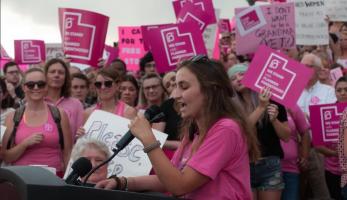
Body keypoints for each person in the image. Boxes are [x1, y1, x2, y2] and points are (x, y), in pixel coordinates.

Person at [96, 56, 258, 200]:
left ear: (210, 90)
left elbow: (179, 185)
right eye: (175, 87)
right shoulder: (194, 130)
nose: (175, 94)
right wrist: (122, 182)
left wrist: (148, 138)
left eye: (184, 87)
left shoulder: (226, 129)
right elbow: (169, 177)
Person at [228, 63, 290, 200]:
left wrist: (274, 120)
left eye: (242, 74)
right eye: (233, 78)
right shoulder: (230, 108)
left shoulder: (274, 100)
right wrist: (261, 108)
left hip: (270, 165)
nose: (238, 79)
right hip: (243, 166)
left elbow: (286, 136)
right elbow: (240, 131)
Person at [1, 68, 72, 177]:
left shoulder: (59, 114)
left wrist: (69, 182)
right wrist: (24, 144)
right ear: (24, 87)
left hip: (53, 178)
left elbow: (67, 153)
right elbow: (6, 156)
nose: (36, 88)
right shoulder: (12, 117)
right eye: (30, 85)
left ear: (46, 87)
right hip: (22, 179)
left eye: (40, 84)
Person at [76, 68, 137, 138]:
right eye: (98, 84)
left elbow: (133, 141)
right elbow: (84, 143)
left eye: (108, 84)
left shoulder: (128, 112)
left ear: (117, 85)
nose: (103, 87)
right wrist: (81, 136)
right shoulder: (88, 113)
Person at [317, 76, 347, 200]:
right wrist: (336, 153)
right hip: (333, 170)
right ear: (334, 92)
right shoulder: (324, 112)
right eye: (339, 90)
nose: (343, 93)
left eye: (346, 89)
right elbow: (318, 145)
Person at [44, 58, 84, 139]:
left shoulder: (76, 104)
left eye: (61, 72)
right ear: (45, 76)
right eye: (52, 72)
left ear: (66, 77)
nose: (56, 75)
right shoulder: (37, 102)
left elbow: (80, 136)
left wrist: (81, 135)